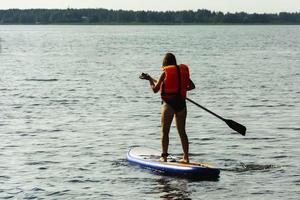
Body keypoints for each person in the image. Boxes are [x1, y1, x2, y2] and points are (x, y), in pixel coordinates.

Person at [139, 53, 195, 163]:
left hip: (168, 104)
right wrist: (180, 90)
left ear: (165, 62)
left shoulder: (165, 73)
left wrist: (149, 81)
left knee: (165, 132)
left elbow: (156, 89)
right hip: (181, 103)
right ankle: (186, 157)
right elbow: (192, 86)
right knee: (182, 131)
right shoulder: (181, 72)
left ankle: (164, 157)